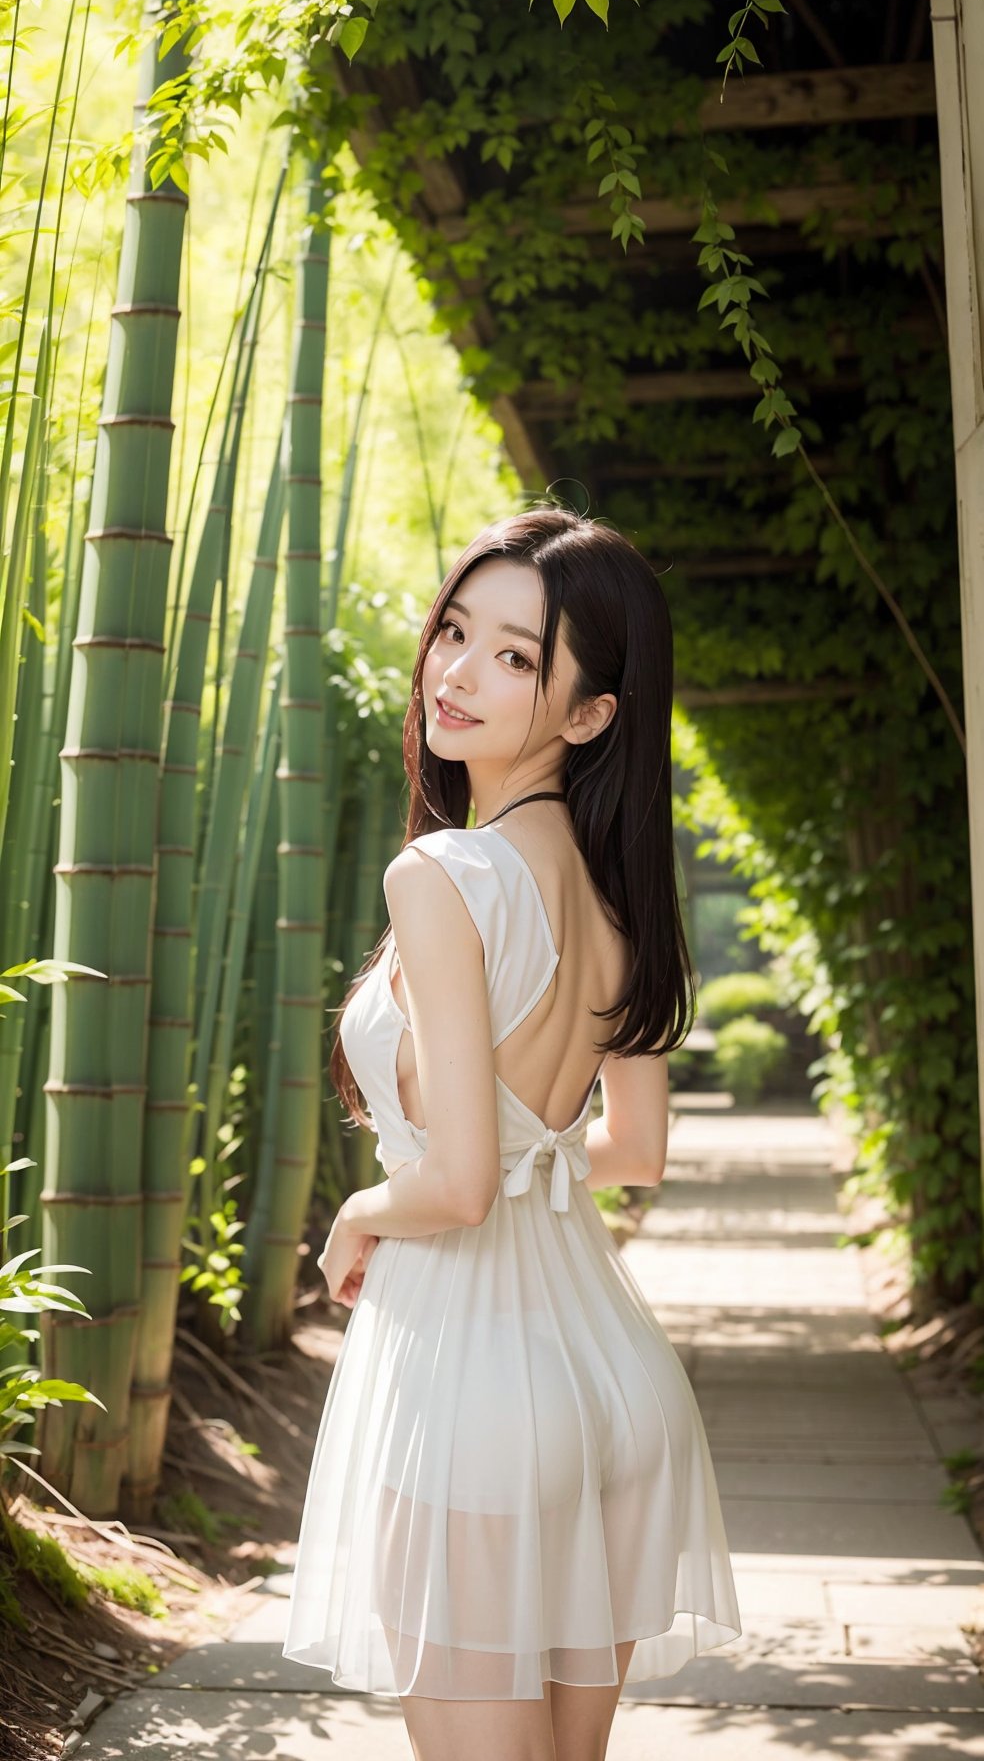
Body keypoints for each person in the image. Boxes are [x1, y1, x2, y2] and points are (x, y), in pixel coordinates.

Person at [282, 504, 742, 1761]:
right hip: (608, 1381)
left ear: (591, 712)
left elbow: (465, 1184)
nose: (458, 671)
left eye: (517, 656)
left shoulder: (441, 877)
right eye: (455, 631)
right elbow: (628, 1153)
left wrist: (361, 1210)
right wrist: (476, 1169)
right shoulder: (623, 902)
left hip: (469, 1387)